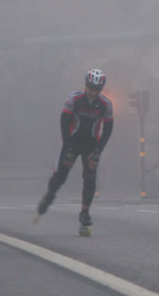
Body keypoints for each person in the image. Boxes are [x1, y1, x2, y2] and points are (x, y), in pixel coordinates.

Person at [34, 69, 114, 231]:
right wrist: (68, 146)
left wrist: (98, 150)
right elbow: (64, 123)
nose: (93, 93)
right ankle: (49, 195)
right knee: (61, 175)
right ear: (86, 85)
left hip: (91, 144)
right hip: (72, 141)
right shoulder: (74, 99)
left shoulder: (106, 104)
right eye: (91, 88)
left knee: (90, 177)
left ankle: (85, 212)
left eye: (97, 90)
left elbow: (108, 129)